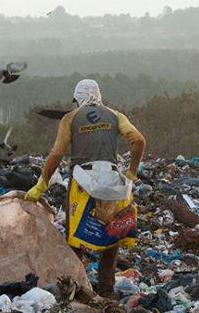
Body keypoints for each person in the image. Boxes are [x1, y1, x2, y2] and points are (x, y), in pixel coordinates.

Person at [24, 79, 146, 299]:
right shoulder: (116, 115)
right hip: (110, 180)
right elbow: (138, 140)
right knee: (111, 235)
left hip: (82, 182)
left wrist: (41, 185)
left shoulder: (70, 118)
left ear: (77, 98)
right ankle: (107, 291)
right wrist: (132, 173)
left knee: (76, 236)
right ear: (99, 95)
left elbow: (56, 154)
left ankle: (74, 288)